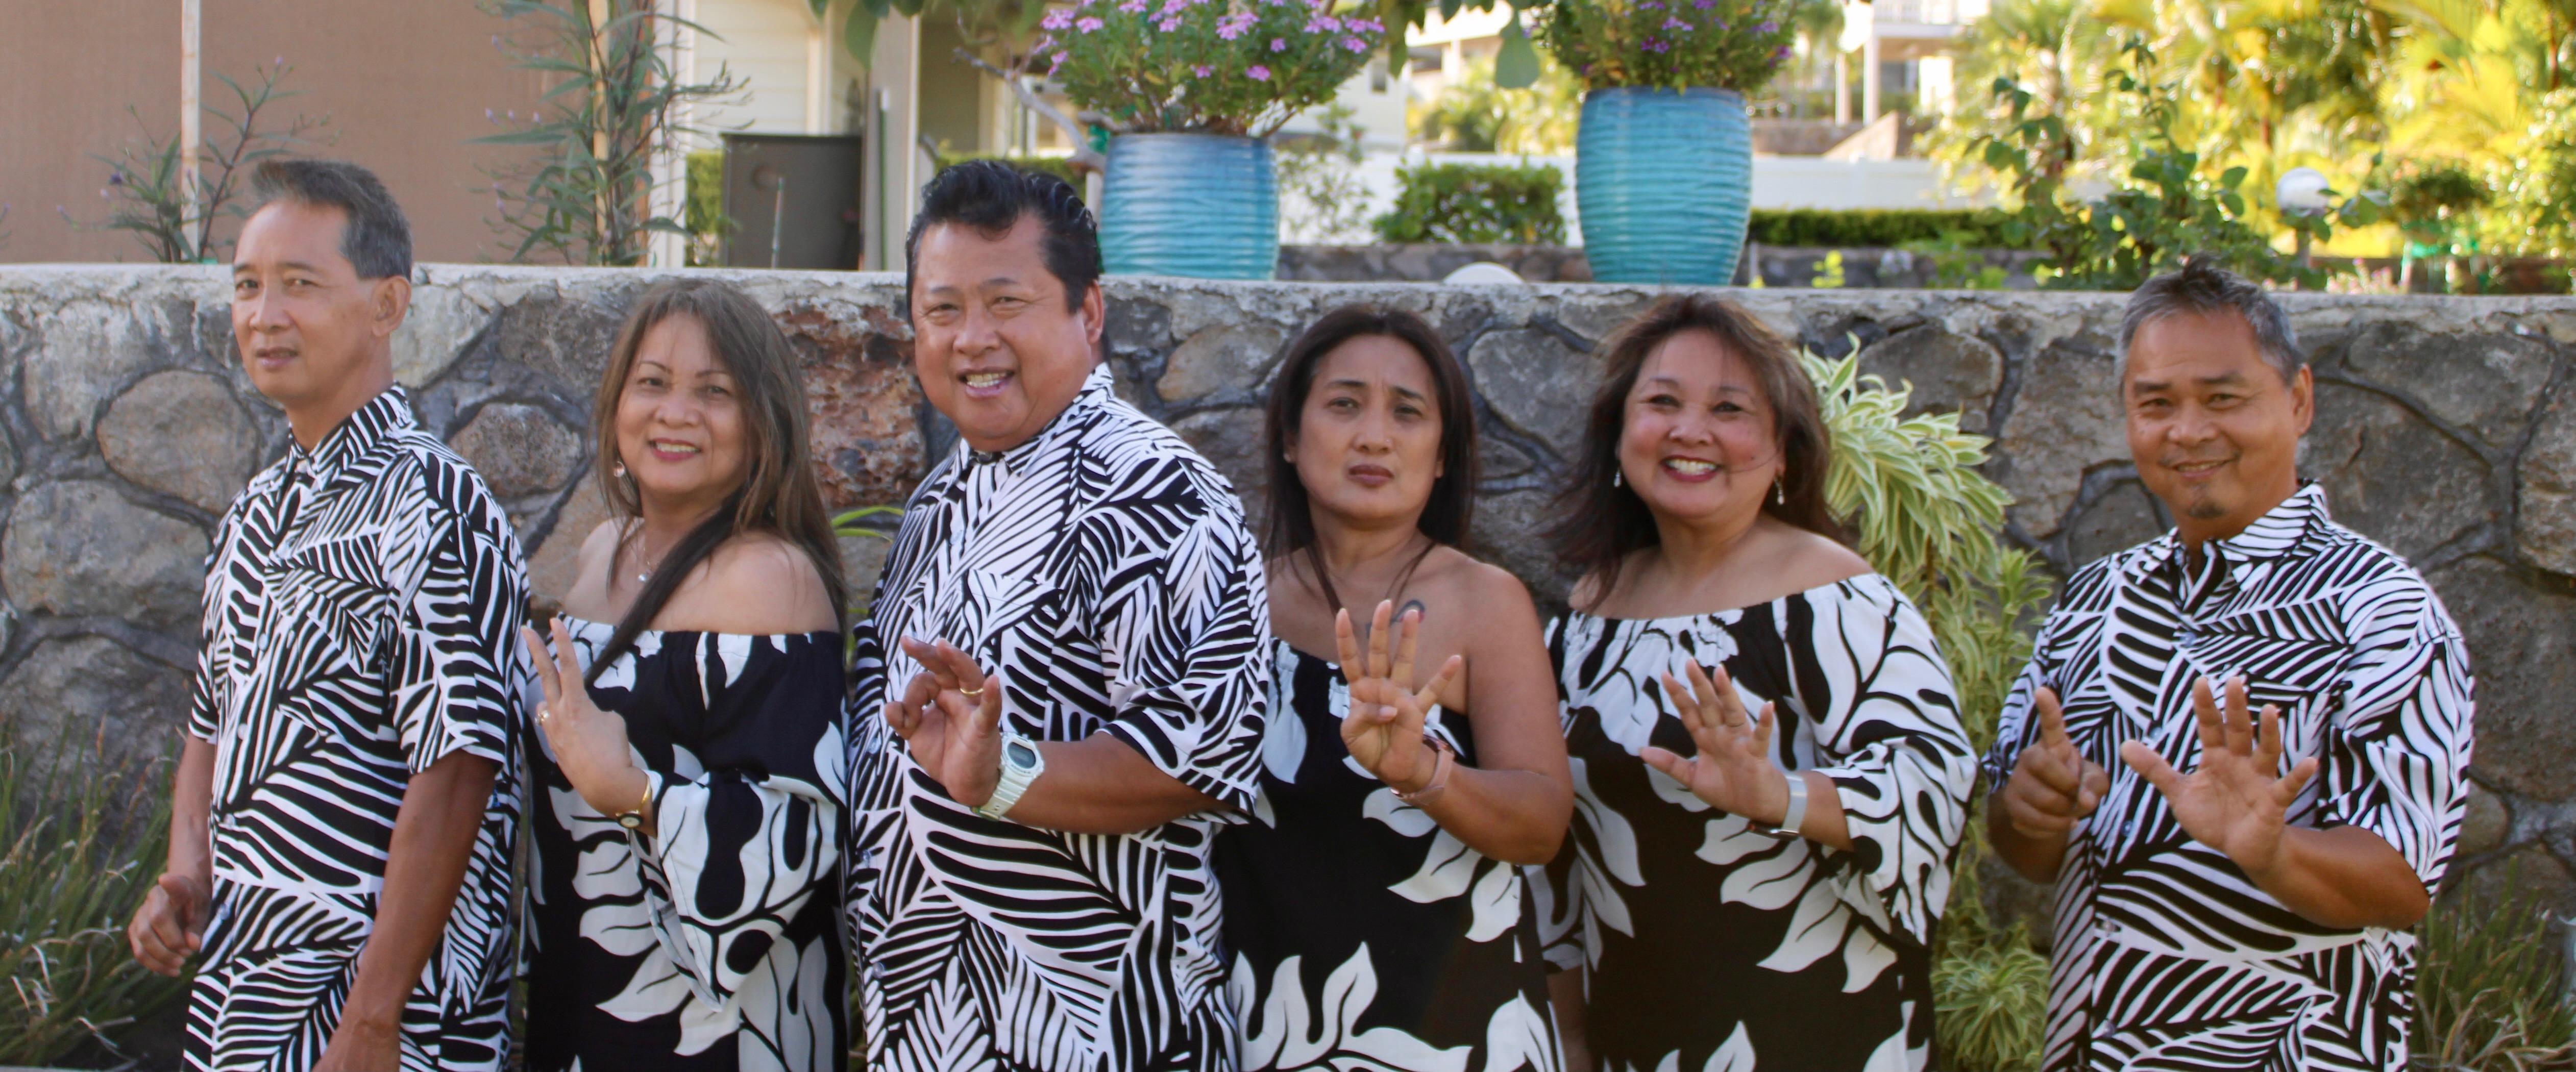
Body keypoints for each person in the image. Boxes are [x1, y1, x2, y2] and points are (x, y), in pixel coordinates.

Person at [1983, 259, 2473, 1071]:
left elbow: (2401, 882)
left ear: (2299, 399)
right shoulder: (2096, 598)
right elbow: (2024, 848)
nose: (2188, 431)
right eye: (2157, 404)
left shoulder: (2383, 612)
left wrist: (2271, 850)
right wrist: (2030, 810)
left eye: (2222, 398)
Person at [844, 160, 1271, 1071]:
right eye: (943, 309)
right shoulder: (939, 501)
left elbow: (1203, 752)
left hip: (1104, 1036)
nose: (972, 338)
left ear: (1090, 313)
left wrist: (1003, 774)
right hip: (934, 1035)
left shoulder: (1156, 492)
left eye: (1007, 302)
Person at [124, 158, 527, 1071]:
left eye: (299, 285)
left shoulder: (435, 505)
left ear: (387, 305)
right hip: (244, 1008)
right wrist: (186, 872)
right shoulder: (256, 511)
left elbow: (459, 767)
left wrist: (374, 1019)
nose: (264, 314)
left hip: (383, 1028)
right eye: (247, 286)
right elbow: (210, 723)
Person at [1532, 294, 1976, 1072]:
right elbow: (1560, 858)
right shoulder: (1587, 616)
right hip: (1636, 1033)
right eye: (1662, 402)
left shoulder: (1837, 600)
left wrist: (1782, 795)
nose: (1690, 429)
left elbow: (1933, 782)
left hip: (1817, 1030)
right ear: (1619, 434)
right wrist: (1568, 1034)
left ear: (1782, 453)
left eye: (1729, 408)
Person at [1214, 307, 1574, 1072]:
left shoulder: (1485, 601)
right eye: (1344, 404)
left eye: (1407, 412)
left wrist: (1427, 773)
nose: (1374, 436)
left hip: (1453, 1031)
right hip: (1269, 1027)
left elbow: (1541, 825)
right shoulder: (1235, 602)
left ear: (1442, 455)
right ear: (1290, 436)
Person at [518, 279, 852, 1070]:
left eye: (715, 392)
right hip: (586, 981)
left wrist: (633, 792)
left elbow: (799, 830)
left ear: (764, 422)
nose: (675, 413)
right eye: (653, 382)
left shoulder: (771, 579)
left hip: (718, 1030)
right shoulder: (603, 550)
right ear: (617, 402)